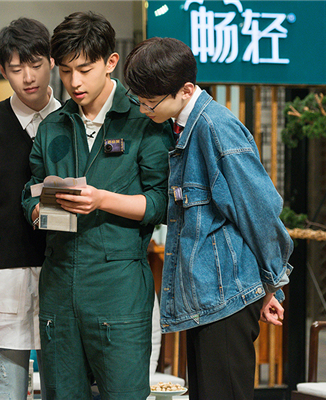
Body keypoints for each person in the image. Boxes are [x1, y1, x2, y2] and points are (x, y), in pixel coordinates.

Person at [123, 37, 293, 400]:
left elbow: (261, 211)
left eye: (151, 102)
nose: (144, 109)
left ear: (186, 90)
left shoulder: (215, 127)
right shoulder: (185, 126)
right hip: (209, 298)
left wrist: (273, 284)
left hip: (227, 297)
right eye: (140, 100)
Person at [21, 11, 172, 400]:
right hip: (59, 284)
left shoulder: (143, 119)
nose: (74, 82)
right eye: (66, 71)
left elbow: (161, 203)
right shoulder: (53, 126)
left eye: (85, 69)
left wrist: (102, 200)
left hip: (118, 286)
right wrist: (37, 211)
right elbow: (30, 191)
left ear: (110, 62)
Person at [0, 17, 60, 400]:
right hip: (2, 279)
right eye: (16, 69)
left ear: (52, 61)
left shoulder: (73, 122)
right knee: (4, 390)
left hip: (63, 276)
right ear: (2, 71)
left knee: (65, 388)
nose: (28, 77)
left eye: (35, 64)